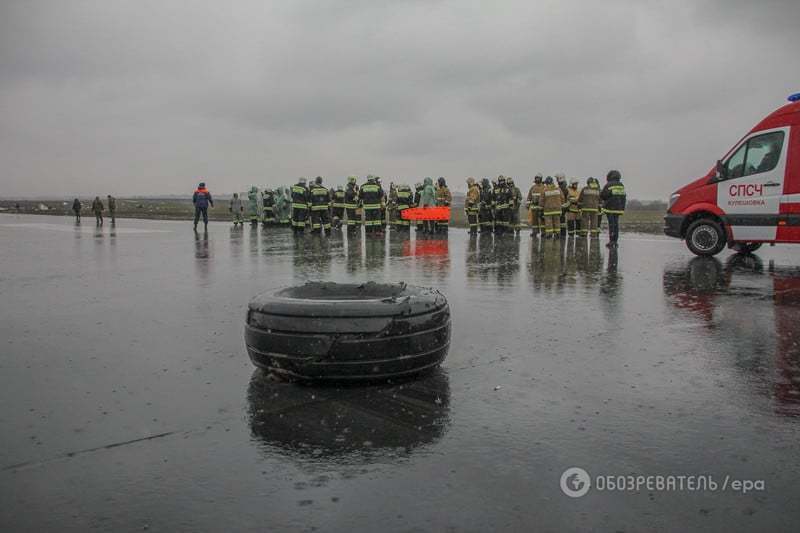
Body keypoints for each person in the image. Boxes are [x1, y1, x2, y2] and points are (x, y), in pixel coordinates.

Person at [600, 170, 626, 248]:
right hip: (618, 209)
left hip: (610, 208)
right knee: (616, 224)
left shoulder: (609, 185)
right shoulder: (621, 185)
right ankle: (615, 241)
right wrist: (622, 208)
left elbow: (603, 195)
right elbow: (624, 197)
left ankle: (611, 241)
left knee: (611, 225)